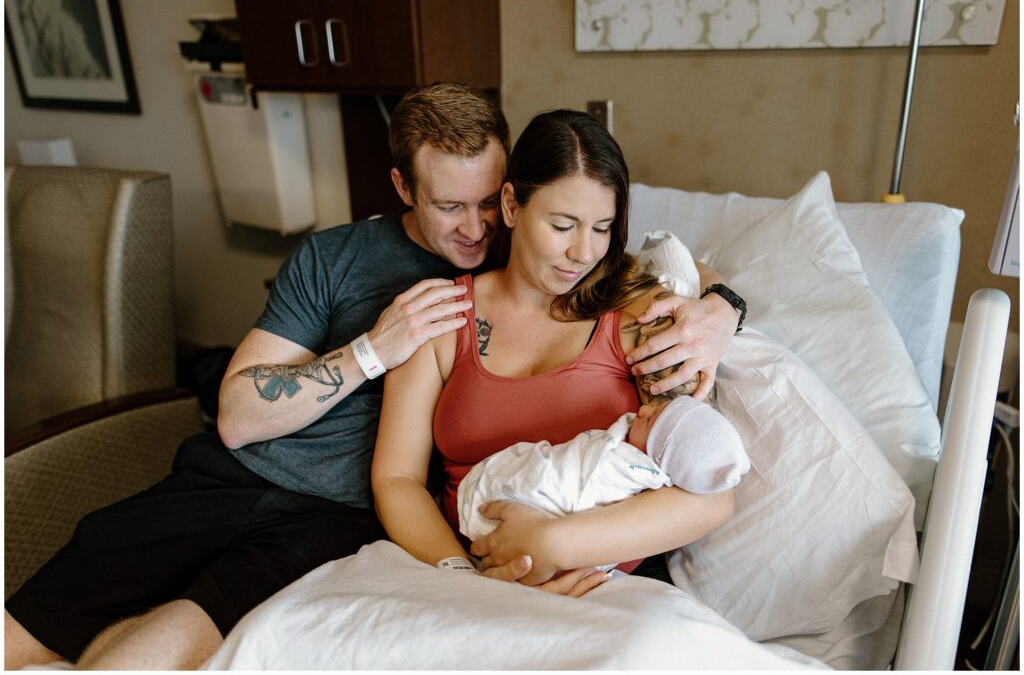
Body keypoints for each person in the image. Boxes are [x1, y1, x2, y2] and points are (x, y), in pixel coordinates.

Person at [5, 85, 740, 670]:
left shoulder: (621, 296)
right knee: (35, 628)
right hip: (246, 481)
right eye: (453, 207)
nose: (479, 229)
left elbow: (666, 288)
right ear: (403, 188)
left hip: (355, 524)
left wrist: (722, 308)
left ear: (508, 194)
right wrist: (372, 352)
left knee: (156, 646)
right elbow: (254, 422)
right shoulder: (371, 279)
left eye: (489, 203)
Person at [372, 109, 745, 596]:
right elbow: (396, 478)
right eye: (563, 225)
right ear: (511, 205)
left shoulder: (640, 319)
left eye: (602, 227)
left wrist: (554, 544)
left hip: (606, 587)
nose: (583, 253)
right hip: (467, 580)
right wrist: (466, 582)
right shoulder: (441, 317)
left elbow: (709, 498)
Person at [458, 395, 750, 570]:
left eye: (650, 421)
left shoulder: (633, 471)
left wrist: (548, 543)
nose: (643, 410)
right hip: (460, 549)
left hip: (571, 561)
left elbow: (715, 502)